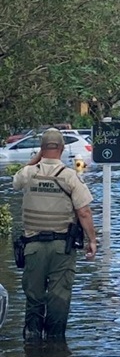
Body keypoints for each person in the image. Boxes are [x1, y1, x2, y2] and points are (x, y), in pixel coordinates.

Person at [12, 128, 97, 340]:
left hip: (32, 248)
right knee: (59, 298)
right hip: (62, 249)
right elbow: (84, 212)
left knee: (34, 297)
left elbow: (16, 181)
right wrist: (92, 240)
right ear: (61, 149)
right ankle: (56, 346)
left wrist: (38, 158)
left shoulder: (28, 174)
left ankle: (31, 344)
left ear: (41, 150)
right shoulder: (70, 177)